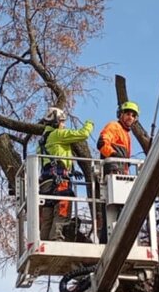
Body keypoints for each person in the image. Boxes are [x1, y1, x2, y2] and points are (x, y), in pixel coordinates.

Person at [37, 106, 94, 242]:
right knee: (63, 209)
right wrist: (89, 123)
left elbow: (56, 158)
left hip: (46, 183)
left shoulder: (42, 141)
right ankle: (56, 238)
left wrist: (71, 169)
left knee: (48, 214)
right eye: (62, 122)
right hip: (59, 181)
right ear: (56, 122)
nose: (63, 125)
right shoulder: (57, 134)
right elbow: (83, 134)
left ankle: (44, 241)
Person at [95, 101, 140, 241]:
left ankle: (110, 241)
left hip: (120, 174)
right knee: (116, 210)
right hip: (113, 173)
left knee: (117, 211)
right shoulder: (114, 126)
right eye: (127, 113)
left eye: (133, 115)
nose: (130, 117)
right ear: (120, 114)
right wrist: (113, 156)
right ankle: (113, 240)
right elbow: (102, 143)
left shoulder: (126, 134)